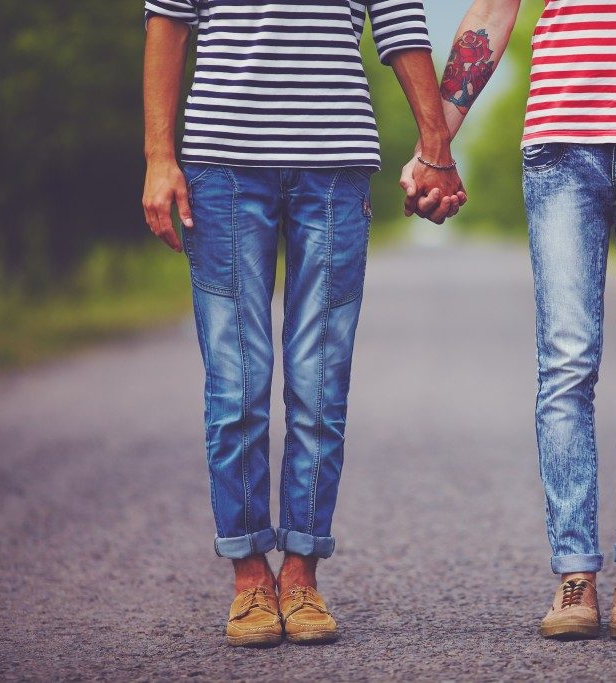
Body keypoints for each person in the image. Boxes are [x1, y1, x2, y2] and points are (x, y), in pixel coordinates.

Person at [403, 0, 616, 639]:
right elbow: (493, 12)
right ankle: (574, 574)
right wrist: (434, 144)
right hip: (561, 147)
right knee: (566, 364)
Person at [141, 0, 465, 647]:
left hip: (334, 166)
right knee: (236, 382)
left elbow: (399, 18)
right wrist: (158, 155)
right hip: (222, 164)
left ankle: (301, 571)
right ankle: (248, 575)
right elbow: (168, 20)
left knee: (320, 381)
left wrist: (436, 145)